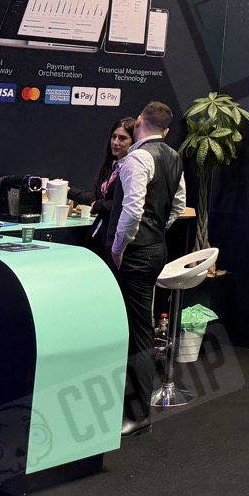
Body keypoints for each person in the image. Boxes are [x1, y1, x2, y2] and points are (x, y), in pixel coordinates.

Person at [111, 101, 187, 437]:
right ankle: (130, 407)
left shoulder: (138, 158)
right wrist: (157, 230)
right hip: (156, 248)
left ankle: (138, 414)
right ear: (166, 131)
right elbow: (179, 205)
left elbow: (132, 210)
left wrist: (119, 248)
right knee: (138, 329)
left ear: (140, 120)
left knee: (139, 335)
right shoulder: (174, 156)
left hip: (136, 253)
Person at [71, 117, 135, 259]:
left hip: (117, 241)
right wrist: (68, 191)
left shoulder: (133, 170)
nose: (115, 142)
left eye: (122, 138)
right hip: (99, 236)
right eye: (114, 136)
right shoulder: (113, 166)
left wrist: (100, 205)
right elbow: (96, 198)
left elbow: (126, 204)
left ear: (134, 142)